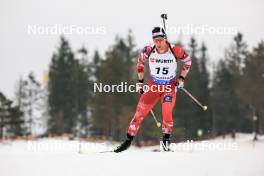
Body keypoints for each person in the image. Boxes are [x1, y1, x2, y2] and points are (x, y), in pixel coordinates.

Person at [114, 27, 192, 152]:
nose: (158, 43)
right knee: (139, 113)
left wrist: (181, 77)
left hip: (169, 88)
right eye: (156, 40)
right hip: (153, 87)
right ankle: (127, 141)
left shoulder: (175, 50)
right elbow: (140, 63)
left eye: (161, 40)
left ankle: (166, 143)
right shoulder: (149, 50)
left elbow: (188, 61)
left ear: (165, 39)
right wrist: (140, 83)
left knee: (167, 112)